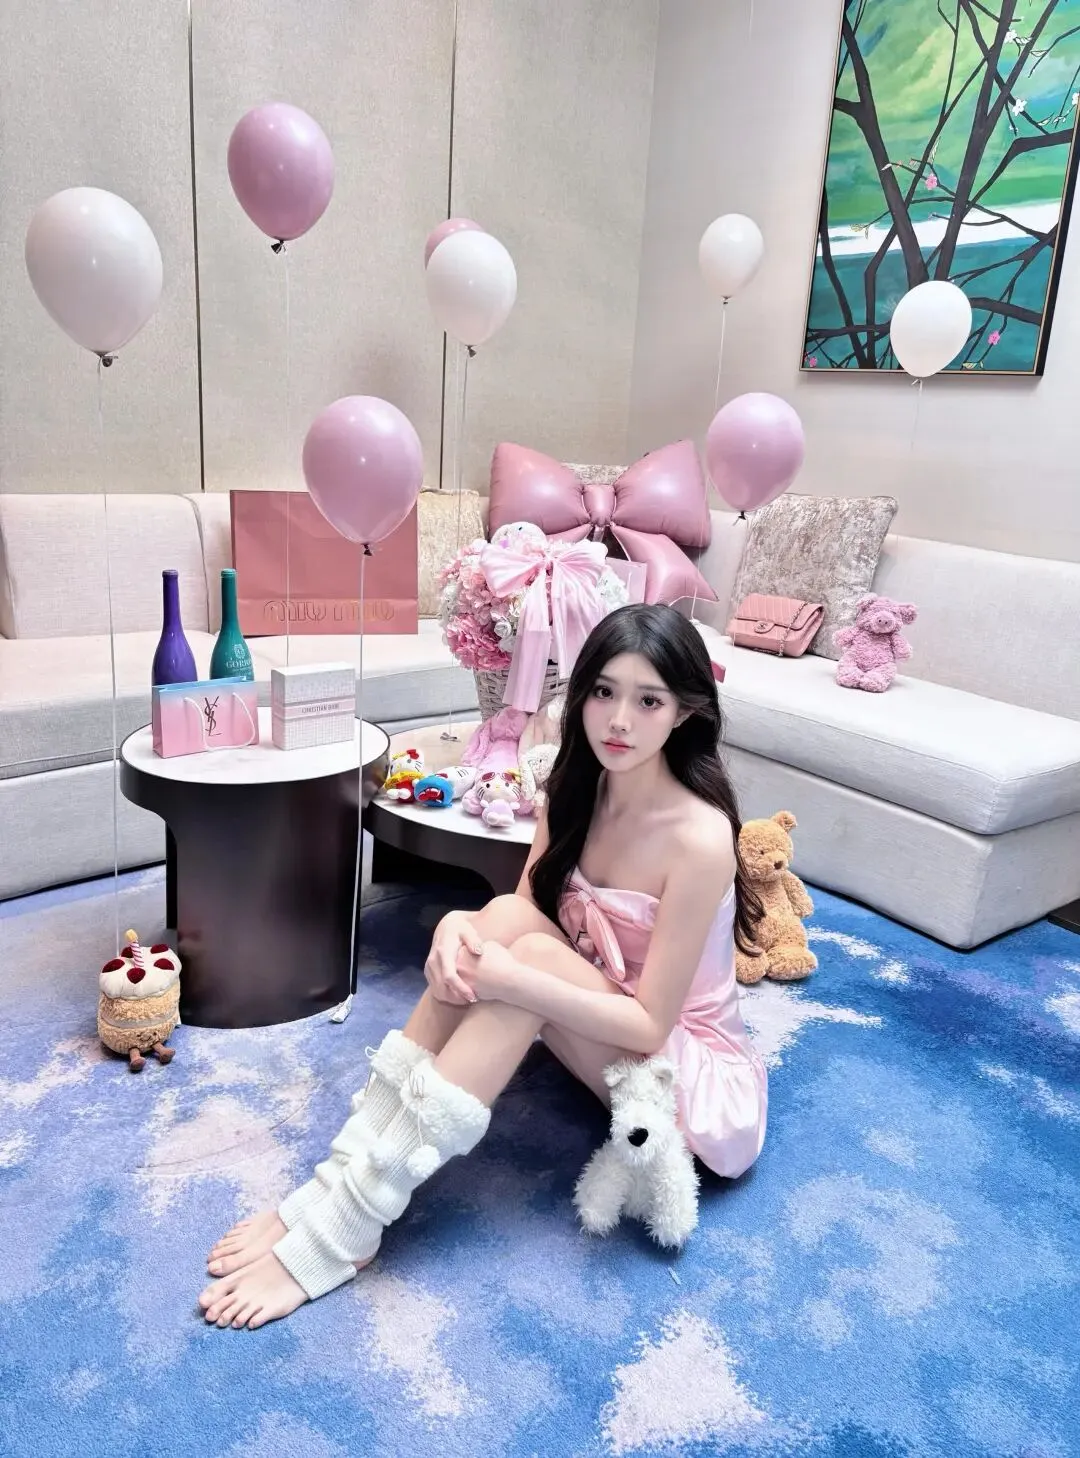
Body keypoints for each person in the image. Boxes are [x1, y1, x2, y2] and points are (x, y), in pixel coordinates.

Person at [199, 602, 768, 1330]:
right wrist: (457, 927)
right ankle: (338, 1177)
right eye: (603, 691)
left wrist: (514, 979)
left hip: (685, 1072)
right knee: (496, 926)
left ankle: (351, 1221)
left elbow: (652, 1024)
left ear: (685, 712)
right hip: (598, 1016)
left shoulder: (700, 838)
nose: (619, 721)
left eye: (648, 701)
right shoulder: (574, 787)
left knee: (523, 966)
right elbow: (524, 908)